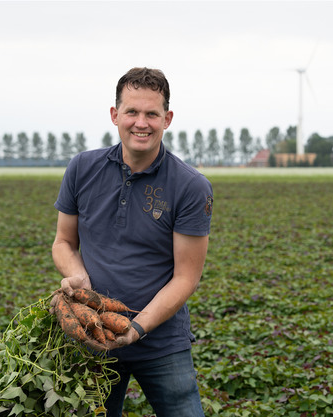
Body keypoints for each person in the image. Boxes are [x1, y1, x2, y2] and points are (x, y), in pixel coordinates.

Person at [52, 67, 213, 417]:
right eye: (132, 112)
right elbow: (63, 242)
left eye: (152, 114)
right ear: (115, 115)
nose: (141, 123)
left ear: (167, 119)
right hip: (92, 335)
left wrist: (136, 328)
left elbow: (186, 277)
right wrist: (78, 278)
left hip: (162, 343)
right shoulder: (82, 168)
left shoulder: (190, 186)